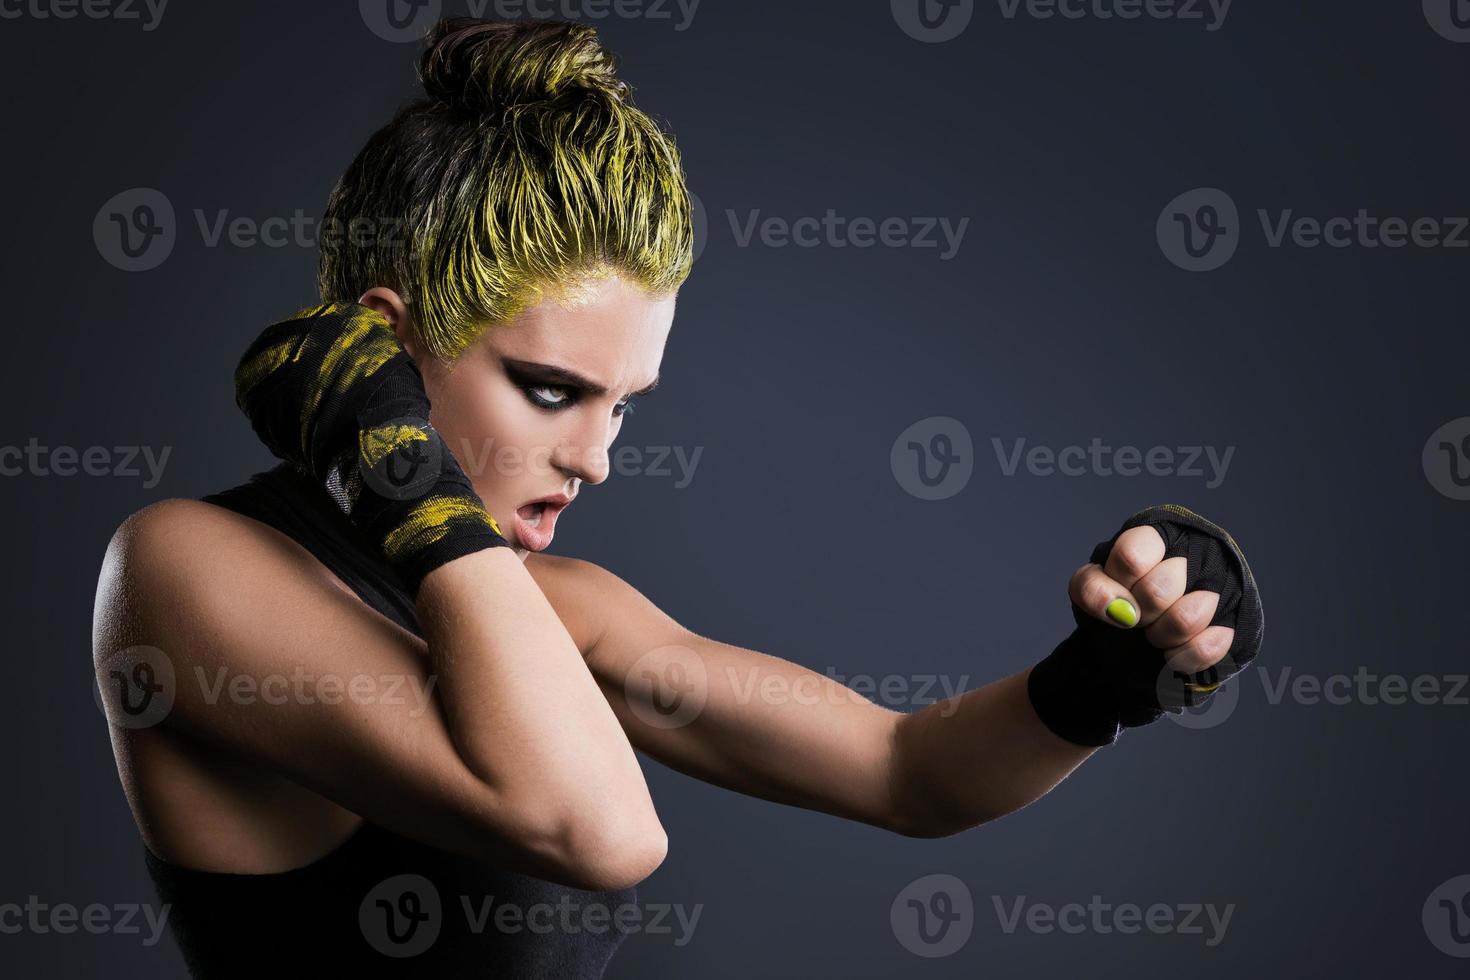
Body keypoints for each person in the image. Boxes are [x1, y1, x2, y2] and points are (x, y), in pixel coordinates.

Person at [91, 16, 1262, 978]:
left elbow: (908, 772)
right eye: (549, 389)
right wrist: (402, 468)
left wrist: (1102, 678)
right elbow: (595, 830)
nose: (595, 457)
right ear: (381, 350)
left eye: (622, 404)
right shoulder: (185, 567)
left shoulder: (557, 606)